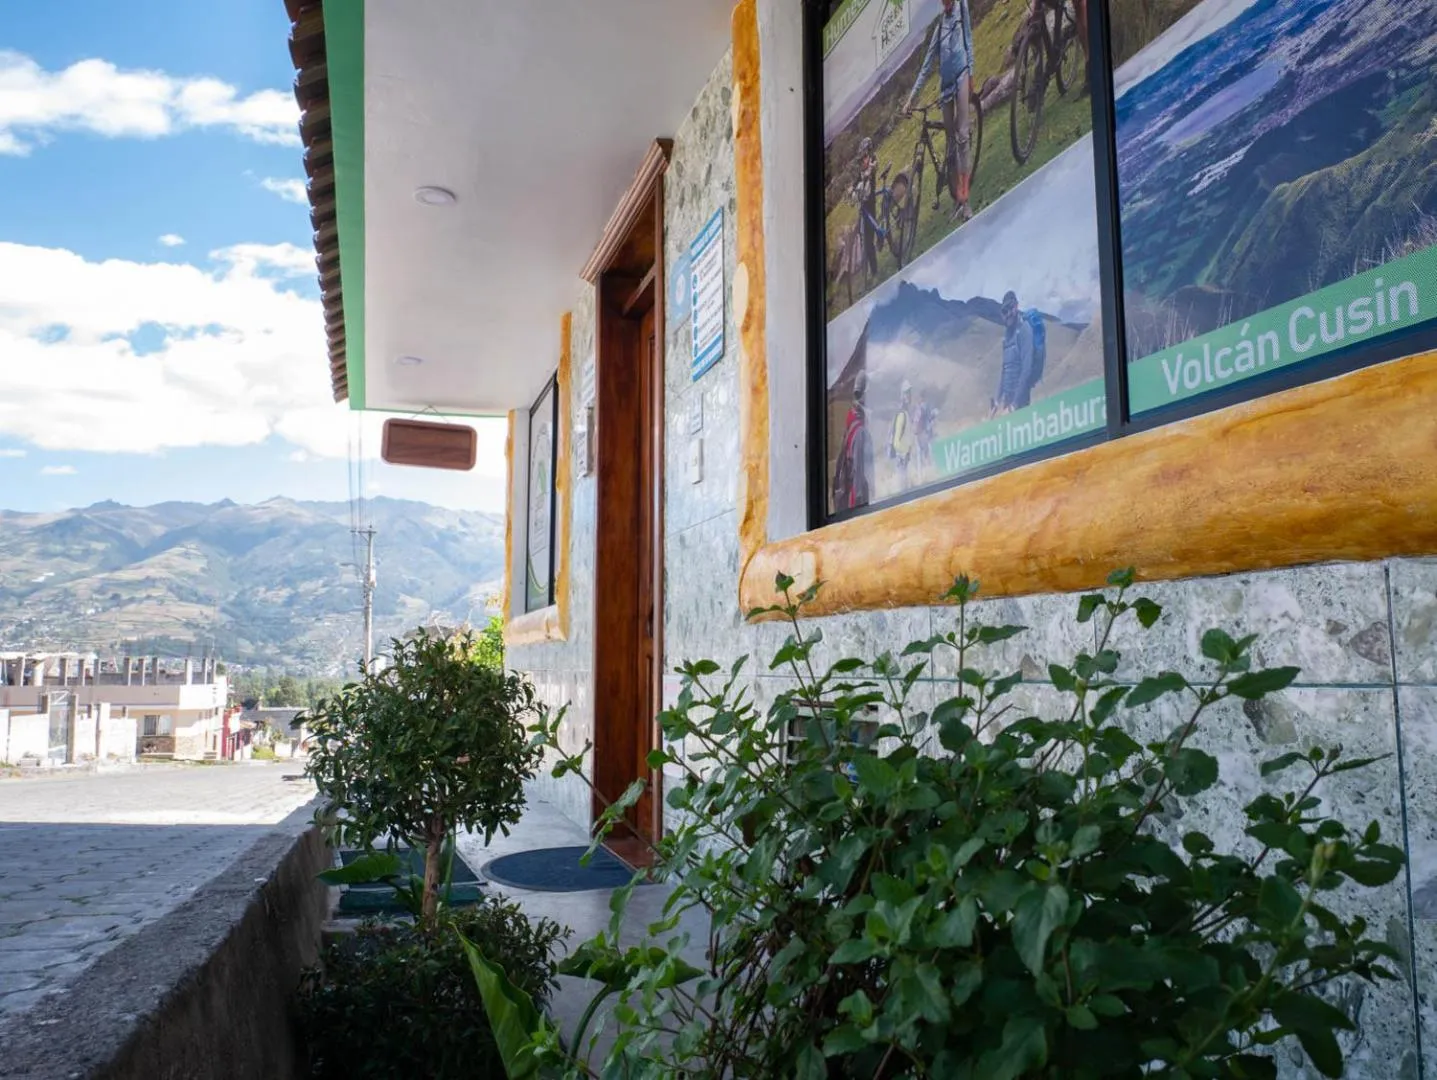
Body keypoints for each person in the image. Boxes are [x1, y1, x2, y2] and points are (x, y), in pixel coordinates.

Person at [903, 0, 976, 222]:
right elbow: (926, 66)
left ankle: (966, 201)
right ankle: (956, 197)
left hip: (962, 75)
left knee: (962, 135)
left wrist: (971, 74)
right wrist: (910, 99)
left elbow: (968, 41)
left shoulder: (962, 8)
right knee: (951, 143)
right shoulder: (939, 28)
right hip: (945, 89)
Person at [832, 370, 874, 511]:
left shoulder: (851, 424)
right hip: (858, 502)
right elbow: (859, 474)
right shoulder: (860, 431)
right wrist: (861, 507)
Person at [992, 290, 1035, 416]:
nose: (1008, 314)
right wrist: (996, 400)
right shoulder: (1006, 336)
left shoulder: (1024, 329)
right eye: (1004, 311)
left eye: (1010, 308)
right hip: (1007, 402)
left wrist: (1015, 405)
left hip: (1021, 404)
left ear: (1016, 306)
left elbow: (1027, 369)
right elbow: (1004, 370)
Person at [888, 380, 916, 491]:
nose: (909, 395)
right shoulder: (901, 415)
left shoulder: (905, 413)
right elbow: (896, 443)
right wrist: (905, 452)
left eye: (909, 392)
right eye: (906, 393)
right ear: (902, 395)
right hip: (902, 462)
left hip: (905, 462)